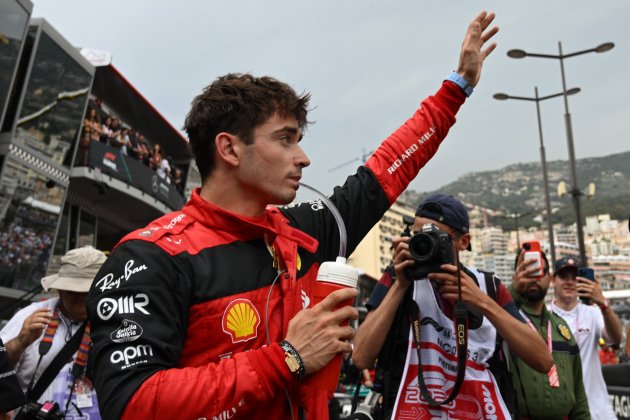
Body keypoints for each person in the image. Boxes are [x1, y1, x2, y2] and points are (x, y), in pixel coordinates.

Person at [85, 11, 499, 420]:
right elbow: (132, 403)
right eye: (285, 140)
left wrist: (457, 87)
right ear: (229, 149)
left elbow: (386, 171)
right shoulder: (149, 257)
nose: (303, 158)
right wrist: (288, 357)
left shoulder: (303, 231)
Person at [352, 194, 553, 419]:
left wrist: (482, 302)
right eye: (418, 236)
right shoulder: (400, 278)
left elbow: (543, 360)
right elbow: (361, 358)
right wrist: (401, 284)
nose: (424, 243)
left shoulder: (488, 286)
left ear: (463, 241)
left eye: (434, 236)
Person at [0, 247, 107, 420]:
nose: (82, 298)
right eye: (74, 292)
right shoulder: (29, 316)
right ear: (59, 290)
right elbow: (1, 367)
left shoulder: (116, 321)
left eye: (88, 292)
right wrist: (20, 342)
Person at [509, 249, 589, 419]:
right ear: (515, 277)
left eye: (538, 271)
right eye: (525, 270)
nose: (532, 278)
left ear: (549, 278)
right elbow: (487, 319)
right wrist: (512, 292)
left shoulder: (561, 327)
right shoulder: (505, 322)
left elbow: (579, 394)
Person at [550, 257, 623, 420]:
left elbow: (616, 339)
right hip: (564, 412)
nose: (569, 282)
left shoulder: (593, 312)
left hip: (599, 411)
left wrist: (603, 304)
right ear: (553, 280)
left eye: (574, 278)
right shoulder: (545, 316)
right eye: (563, 277)